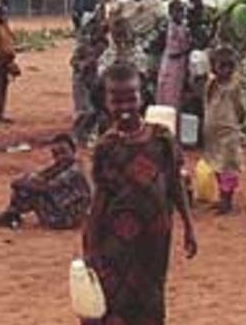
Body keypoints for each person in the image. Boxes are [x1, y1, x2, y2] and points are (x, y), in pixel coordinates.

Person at [82, 62, 197, 325]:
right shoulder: (106, 147)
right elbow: (99, 200)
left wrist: (189, 226)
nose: (124, 106)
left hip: (155, 239)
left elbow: (175, 185)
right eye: (116, 99)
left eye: (130, 97)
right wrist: (90, 246)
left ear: (142, 96)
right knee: (115, 303)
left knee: (152, 301)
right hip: (117, 241)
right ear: (105, 101)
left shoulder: (162, 139)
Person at [0, 134, 91, 230]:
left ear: (73, 150)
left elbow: (46, 188)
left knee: (33, 191)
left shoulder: (75, 170)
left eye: (63, 152)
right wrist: (25, 182)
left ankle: (10, 215)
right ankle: (11, 214)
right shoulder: (62, 167)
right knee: (29, 185)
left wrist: (21, 183)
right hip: (64, 212)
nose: (60, 157)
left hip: (67, 219)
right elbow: (39, 177)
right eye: (56, 154)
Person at [203, 46, 245, 215]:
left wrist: (240, 125)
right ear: (214, 67)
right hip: (213, 133)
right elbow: (206, 103)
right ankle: (222, 197)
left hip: (229, 133)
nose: (226, 70)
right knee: (217, 165)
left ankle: (227, 200)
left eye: (230, 66)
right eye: (222, 66)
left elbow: (240, 108)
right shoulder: (210, 84)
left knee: (228, 166)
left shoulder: (234, 86)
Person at [71, 13, 108, 146]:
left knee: (96, 111)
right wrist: (82, 65)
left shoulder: (105, 45)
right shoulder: (84, 45)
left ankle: (88, 135)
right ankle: (77, 135)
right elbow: (73, 61)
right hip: (83, 82)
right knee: (85, 111)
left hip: (97, 83)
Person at [156, 0, 190, 109]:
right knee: (167, 91)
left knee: (176, 94)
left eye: (182, 10)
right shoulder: (168, 27)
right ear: (171, 12)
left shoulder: (183, 26)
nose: (181, 13)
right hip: (170, 63)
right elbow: (171, 48)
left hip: (180, 64)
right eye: (178, 10)